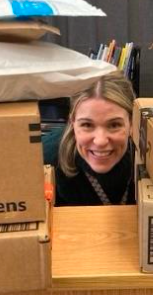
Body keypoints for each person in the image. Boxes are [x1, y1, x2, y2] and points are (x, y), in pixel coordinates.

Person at [55, 71, 136, 206]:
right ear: (72, 122)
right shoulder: (44, 160)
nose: (100, 141)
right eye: (87, 125)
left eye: (114, 125)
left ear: (133, 123)